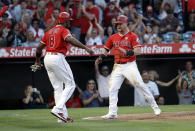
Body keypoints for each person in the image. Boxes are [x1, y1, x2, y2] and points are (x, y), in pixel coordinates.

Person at [96, 15, 161, 119]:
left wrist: (128, 52)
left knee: (140, 84)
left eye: (120, 23)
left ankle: (155, 106)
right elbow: (106, 49)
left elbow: (138, 51)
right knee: (112, 88)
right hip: (117, 66)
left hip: (129, 65)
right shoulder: (113, 37)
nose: (118, 25)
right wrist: (102, 56)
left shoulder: (132, 36)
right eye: (117, 24)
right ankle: (112, 112)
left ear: (126, 24)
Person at [32, 12, 93, 123]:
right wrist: (85, 48)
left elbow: (39, 48)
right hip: (57, 57)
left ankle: (62, 117)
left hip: (47, 58)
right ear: (64, 21)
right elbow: (70, 39)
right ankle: (58, 108)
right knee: (71, 84)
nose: (70, 21)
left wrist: (37, 61)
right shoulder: (64, 30)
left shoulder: (49, 31)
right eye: (68, 20)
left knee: (58, 88)